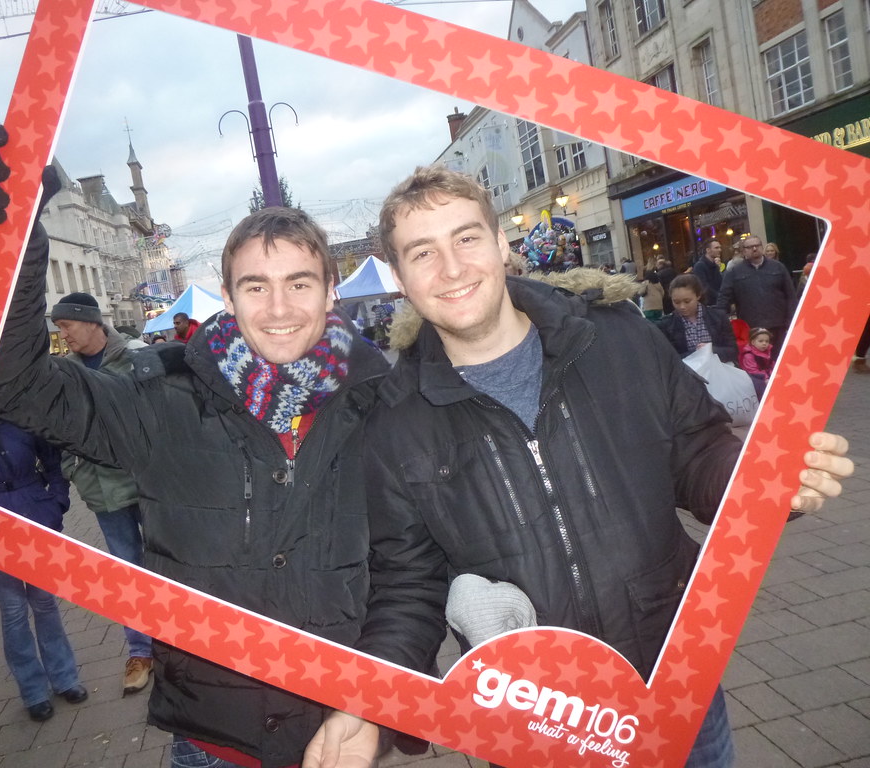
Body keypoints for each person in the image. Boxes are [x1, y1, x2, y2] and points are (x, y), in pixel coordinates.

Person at [303, 166, 853, 768]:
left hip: (672, 681)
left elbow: (697, 452)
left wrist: (768, 477)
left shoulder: (614, 339)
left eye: (466, 238)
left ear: (500, 244)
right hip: (538, 719)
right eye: (422, 252)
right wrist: (371, 703)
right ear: (399, 276)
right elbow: (407, 585)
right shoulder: (394, 420)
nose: (452, 268)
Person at [0, 125, 390, 768]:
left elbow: (409, 568)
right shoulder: (162, 397)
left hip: (341, 732)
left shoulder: (380, 402)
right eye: (255, 286)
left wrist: (375, 698)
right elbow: (18, 384)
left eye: (299, 283)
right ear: (229, 295)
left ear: (331, 291)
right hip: (210, 736)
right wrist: (12, 250)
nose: (279, 307)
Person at [50, 291, 154, 696]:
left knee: (167, 562)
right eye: (59, 327)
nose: (64, 334)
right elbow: (59, 427)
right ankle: (140, 651)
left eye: (66, 325)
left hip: (147, 482)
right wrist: (71, 467)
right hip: (101, 491)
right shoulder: (63, 372)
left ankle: (182, 644)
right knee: (125, 572)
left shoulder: (134, 356)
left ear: (91, 321)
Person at [0, 413, 88, 721]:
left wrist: (56, 502)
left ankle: (64, 677)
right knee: (14, 610)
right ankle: (32, 690)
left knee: (44, 602)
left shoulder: (17, 415)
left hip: (34, 515)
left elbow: (52, 458)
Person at [716, 235, 796, 363]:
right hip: (751, 327)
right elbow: (724, 298)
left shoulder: (778, 267)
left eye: (757, 246)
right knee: (757, 364)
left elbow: (790, 296)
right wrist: (719, 322)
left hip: (777, 325)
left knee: (781, 361)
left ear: (761, 247)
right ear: (744, 251)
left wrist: (791, 321)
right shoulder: (734, 272)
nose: (754, 249)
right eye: (749, 247)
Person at [659, 274, 738, 364]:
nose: (682, 307)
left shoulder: (718, 317)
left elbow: (733, 351)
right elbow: (668, 358)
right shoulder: (666, 325)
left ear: (698, 295)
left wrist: (712, 350)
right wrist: (696, 353)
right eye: (676, 302)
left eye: (687, 301)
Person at [739, 327, 773, 399]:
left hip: (766, 375)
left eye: (767, 341)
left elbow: (772, 364)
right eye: (760, 341)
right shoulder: (749, 355)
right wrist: (766, 378)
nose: (764, 343)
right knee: (761, 388)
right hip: (754, 377)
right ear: (753, 342)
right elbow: (752, 370)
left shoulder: (767, 352)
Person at [692, 240, 723, 305]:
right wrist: (720, 297)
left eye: (720, 247)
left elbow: (720, 283)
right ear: (708, 250)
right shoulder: (700, 266)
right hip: (708, 305)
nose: (720, 250)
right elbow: (704, 287)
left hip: (718, 303)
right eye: (716, 248)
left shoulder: (715, 265)